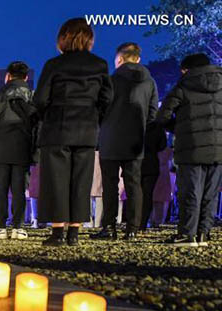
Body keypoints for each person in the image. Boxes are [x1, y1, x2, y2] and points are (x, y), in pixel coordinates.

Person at [33, 18, 113, 246]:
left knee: (56, 180)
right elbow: (107, 98)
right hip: (86, 129)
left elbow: (40, 99)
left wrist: (44, 116)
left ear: (63, 38)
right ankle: (74, 233)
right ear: (89, 39)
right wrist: (95, 117)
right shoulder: (100, 65)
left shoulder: (54, 65)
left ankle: (57, 232)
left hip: (57, 128)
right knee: (81, 179)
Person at [93, 42, 158, 241]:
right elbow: (152, 113)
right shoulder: (149, 82)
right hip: (135, 139)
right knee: (134, 184)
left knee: (110, 185)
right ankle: (132, 228)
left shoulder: (110, 80)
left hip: (110, 138)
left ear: (119, 59)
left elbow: (99, 108)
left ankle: (109, 227)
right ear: (138, 59)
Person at [156, 53, 222, 247]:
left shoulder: (184, 85)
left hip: (190, 147)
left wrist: (179, 127)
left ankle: (187, 234)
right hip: (218, 147)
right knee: (211, 192)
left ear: (186, 69)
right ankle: (203, 234)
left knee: (190, 191)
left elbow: (162, 116)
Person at [0, 61, 37, 240]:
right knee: (19, 190)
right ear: (26, 77)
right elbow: (38, 126)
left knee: (0, 190)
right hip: (23, 150)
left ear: (8, 76)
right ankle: (18, 227)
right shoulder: (32, 97)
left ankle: (1, 227)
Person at [140, 123, 168, 230]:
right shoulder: (157, 126)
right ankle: (143, 223)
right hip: (151, 163)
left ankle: (134, 222)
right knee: (148, 195)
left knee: (135, 194)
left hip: (136, 162)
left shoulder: (134, 123)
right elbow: (163, 145)